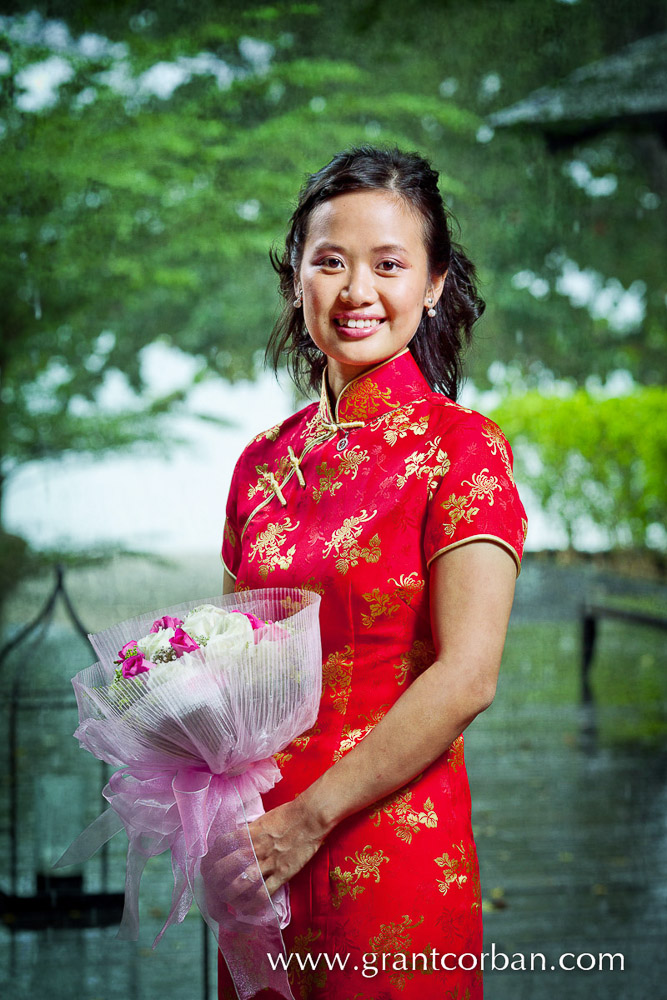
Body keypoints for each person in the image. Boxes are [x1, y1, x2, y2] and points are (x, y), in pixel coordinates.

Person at [218, 145, 527, 999]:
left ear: (431, 286)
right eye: (330, 262)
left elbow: (466, 677)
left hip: (387, 848)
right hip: (260, 852)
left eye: (389, 264)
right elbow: (235, 671)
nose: (357, 291)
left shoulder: (462, 451)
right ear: (296, 280)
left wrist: (308, 821)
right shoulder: (261, 464)